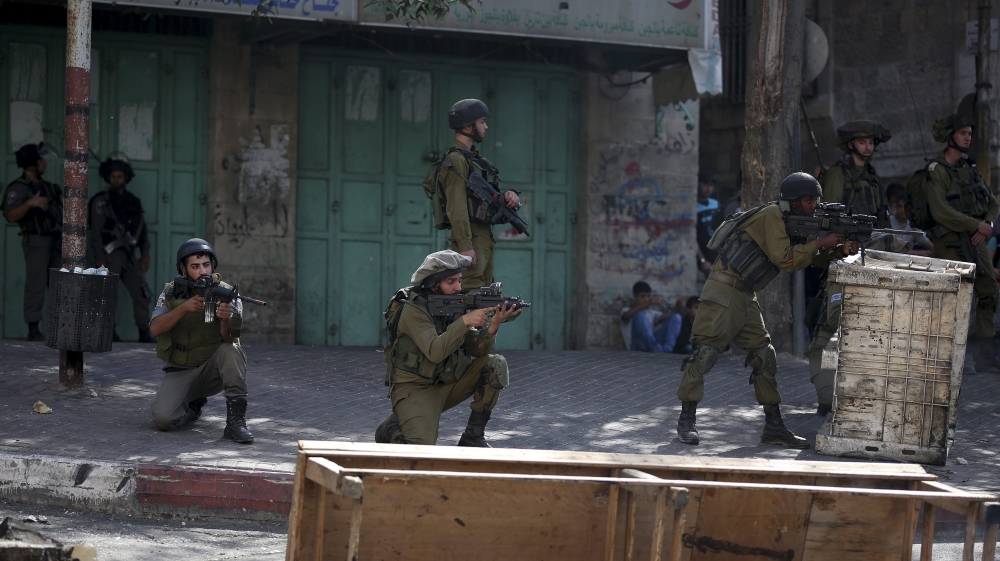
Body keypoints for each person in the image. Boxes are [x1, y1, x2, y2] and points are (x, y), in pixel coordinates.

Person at [675, 173, 859, 448]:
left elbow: (805, 258)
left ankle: (773, 426)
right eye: (809, 201)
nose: (814, 206)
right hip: (724, 290)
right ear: (794, 202)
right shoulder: (772, 215)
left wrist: (838, 249)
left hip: (745, 293)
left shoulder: (792, 221)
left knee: (764, 355)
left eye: (816, 201)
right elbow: (786, 259)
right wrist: (822, 242)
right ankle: (686, 421)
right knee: (705, 353)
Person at [375, 250, 520, 446]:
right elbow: (435, 351)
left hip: (445, 381)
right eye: (450, 282)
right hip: (415, 388)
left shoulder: (451, 306)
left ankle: (473, 436)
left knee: (494, 365)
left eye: (459, 280)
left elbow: (476, 349)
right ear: (433, 285)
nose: (458, 287)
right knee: (421, 450)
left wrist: (494, 324)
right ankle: (390, 430)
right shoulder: (413, 309)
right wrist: (464, 322)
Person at [804, 121, 893, 414]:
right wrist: (841, 246)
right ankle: (827, 398)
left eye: (871, 142)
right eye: (862, 142)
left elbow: (883, 222)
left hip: (871, 260)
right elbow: (827, 219)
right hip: (841, 260)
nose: (868, 147)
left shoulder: (873, 177)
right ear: (851, 144)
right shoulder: (838, 175)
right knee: (831, 327)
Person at [148, 238, 254, 444]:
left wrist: (226, 319)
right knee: (163, 419)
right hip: (181, 369)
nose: (202, 271)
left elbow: (230, 338)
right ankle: (192, 410)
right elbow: (155, 328)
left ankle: (236, 423)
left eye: (206, 265)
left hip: (212, 371)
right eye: (195, 266)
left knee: (231, 349)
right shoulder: (171, 292)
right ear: (184, 270)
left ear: (213, 265)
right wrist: (184, 308)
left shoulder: (227, 294)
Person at [925, 114, 1000, 371]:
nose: (968, 137)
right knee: (955, 298)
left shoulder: (970, 168)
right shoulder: (937, 171)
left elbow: (992, 203)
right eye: (962, 133)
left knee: (988, 288)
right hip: (949, 241)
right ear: (949, 137)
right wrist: (974, 225)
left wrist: (987, 225)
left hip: (976, 238)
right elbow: (940, 211)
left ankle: (985, 354)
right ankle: (952, 357)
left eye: (969, 133)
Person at [428, 99, 521, 291]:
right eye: (481, 122)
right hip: (471, 237)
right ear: (468, 126)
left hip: (484, 235)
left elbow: (487, 198)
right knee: (468, 294)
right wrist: (465, 246)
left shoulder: (477, 161)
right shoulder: (456, 160)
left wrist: (509, 196)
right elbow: (457, 206)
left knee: (483, 296)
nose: (486, 127)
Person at [89, 155, 155, 343]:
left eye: (120, 176)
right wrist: (100, 258)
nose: (116, 179)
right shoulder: (101, 202)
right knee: (108, 294)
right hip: (111, 256)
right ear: (108, 178)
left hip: (130, 254)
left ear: (126, 178)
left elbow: (143, 231)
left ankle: (144, 331)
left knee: (141, 293)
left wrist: (145, 254)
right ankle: (108, 332)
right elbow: (96, 234)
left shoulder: (133, 201)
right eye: (113, 176)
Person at [1, 143, 63, 342]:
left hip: (55, 240)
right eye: (40, 160)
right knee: (35, 285)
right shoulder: (18, 188)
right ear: (32, 164)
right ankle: (33, 329)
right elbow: (10, 215)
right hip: (36, 242)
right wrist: (30, 203)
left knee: (59, 286)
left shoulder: (46, 186)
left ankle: (59, 329)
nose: (44, 163)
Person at [885, 183, 933, 256]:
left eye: (905, 206)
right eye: (900, 206)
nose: (903, 210)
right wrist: (919, 253)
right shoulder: (889, 222)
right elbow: (893, 250)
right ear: (895, 206)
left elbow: (929, 245)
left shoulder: (912, 224)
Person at [695, 171, 720, 277]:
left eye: (711, 185)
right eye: (705, 185)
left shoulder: (716, 204)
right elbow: (692, 237)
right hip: (703, 262)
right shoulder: (693, 207)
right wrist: (702, 260)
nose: (708, 188)